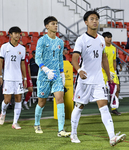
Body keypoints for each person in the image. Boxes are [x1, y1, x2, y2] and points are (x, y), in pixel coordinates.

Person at [70, 10, 126, 146]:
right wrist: (79, 70)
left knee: (104, 107)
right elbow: (74, 59)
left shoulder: (101, 39)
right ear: (86, 22)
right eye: (92, 19)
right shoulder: (81, 40)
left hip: (98, 80)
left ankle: (112, 137)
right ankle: (73, 133)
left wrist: (109, 76)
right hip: (84, 80)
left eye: (96, 19)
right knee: (79, 106)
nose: (95, 21)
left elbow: (104, 58)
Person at [34, 16, 70, 137]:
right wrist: (46, 69)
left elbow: (60, 58)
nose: (56, 25)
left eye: (56, 23)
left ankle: (61, 130)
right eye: (53, 23)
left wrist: (61, 73)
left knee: (60, 99)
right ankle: (37, 123)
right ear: (47, 26)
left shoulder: (60, 42)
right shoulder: (42, 41)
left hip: (56, 76)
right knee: (42, 102)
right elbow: (37, 58)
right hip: (44, 76)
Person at [0, 26, 27, 129]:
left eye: (19, 33)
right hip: (8, 78)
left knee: (19, 99)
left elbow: (23, 64)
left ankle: (15, 122)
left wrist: (25, 78)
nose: (17, 35)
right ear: (10, 34)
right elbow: (0, 62)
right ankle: (3, 112)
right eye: (15, 33)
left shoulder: (22, 49)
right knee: (7, 100)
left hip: (18, 78)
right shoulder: (4, 47)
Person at [101, 32, 121, 115]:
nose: (110, 39)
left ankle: (114, 107)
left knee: (117, 89)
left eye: (110, 37)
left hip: (112, 72)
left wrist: (115, 70)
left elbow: (114, 61)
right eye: (108, 37)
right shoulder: (102, 48)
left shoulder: (113, 48)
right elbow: (101, 61)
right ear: (104, 38)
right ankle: (104, 108)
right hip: (103, 72)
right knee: (104, 91)